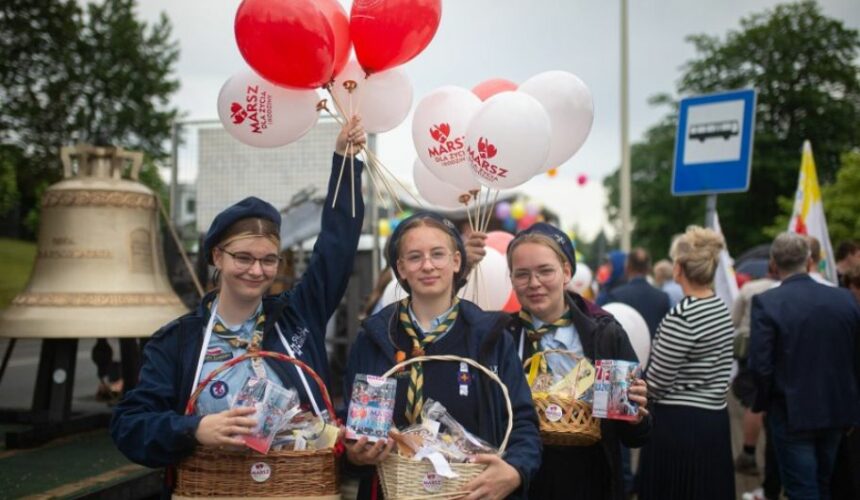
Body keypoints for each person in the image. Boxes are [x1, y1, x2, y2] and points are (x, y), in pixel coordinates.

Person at [110, 118, 367, 489]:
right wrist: (194, 428)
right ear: (218, 257)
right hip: (213, 489)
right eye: (243, 257)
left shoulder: (298, 316)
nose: (256, 270)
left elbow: (336, 248)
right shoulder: (179, 341)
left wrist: (345, 161)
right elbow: (129, 425)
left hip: (300, 489)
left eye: (268, 259)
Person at [343, 212, 541, 500]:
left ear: (456, 261)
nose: (427, 266)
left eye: (438, 254)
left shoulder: (489, 337)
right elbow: (349, 422)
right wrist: (354, 456)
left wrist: (514, 470)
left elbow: (523, 422)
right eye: (414, 257)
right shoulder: (374, 338)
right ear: (401, 268)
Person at [502, 223, 650, 500]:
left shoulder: (603, 333)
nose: (534, 283)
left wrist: (635, 416)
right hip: (523, 482)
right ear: (511, 279)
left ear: (566, 272)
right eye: (522, 274)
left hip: (589, 479)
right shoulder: (502, 336)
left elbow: (634, 437)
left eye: (545, 270)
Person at [749, 232, 860, 500]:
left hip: (791, 412)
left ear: (773, 264)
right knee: (822, 483)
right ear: (810, 261)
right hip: (835, 408)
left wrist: (764, 404)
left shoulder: (768, 303)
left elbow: (760, 365)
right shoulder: (844, 299)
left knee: (802, 489)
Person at [637, 226, 736, 500]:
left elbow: (656, 384)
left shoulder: (682, 316)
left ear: (678, 267)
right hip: (714, 418)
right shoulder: (719, 308)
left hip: (680, 425)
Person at [604, 247, 670, 339]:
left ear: (627, 267)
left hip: (625, 352)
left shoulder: (616, 295)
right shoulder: (663, 297)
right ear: (648, 268)